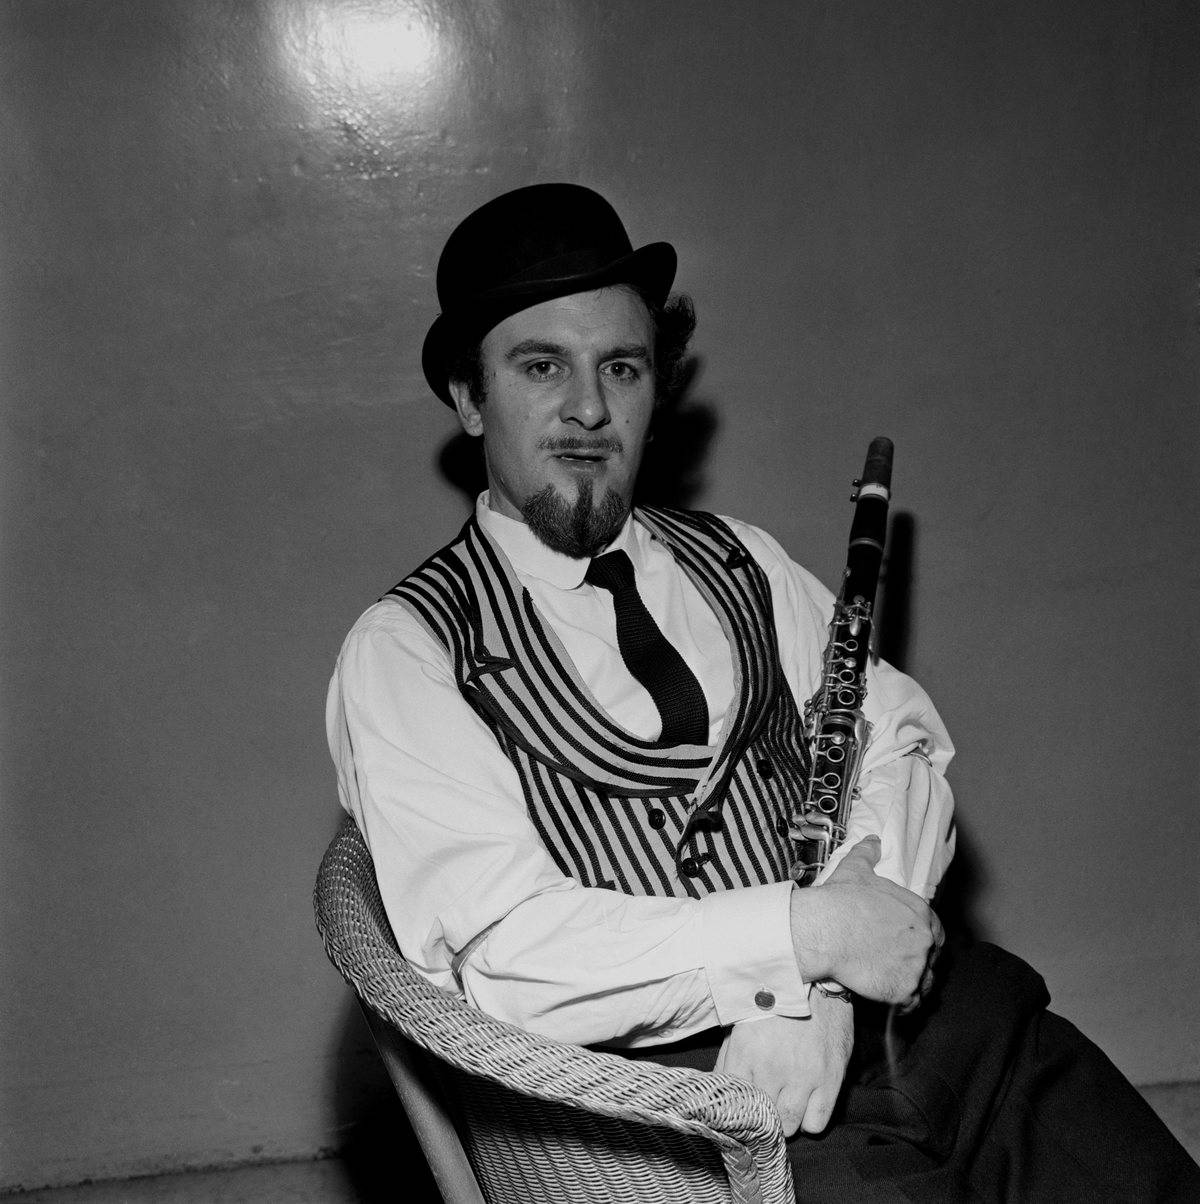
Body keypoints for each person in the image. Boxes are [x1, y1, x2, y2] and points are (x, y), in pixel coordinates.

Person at [326, 183, 1199, 1200]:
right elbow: (514, 953)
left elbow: (899, 734)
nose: (590, 408)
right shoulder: (408, 649)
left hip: (927, 1031)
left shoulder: (740, 557)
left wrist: (832, 974)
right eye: (540, 366)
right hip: (696, 1118)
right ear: (470, 398)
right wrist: (800, 937)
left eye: (622, 365)